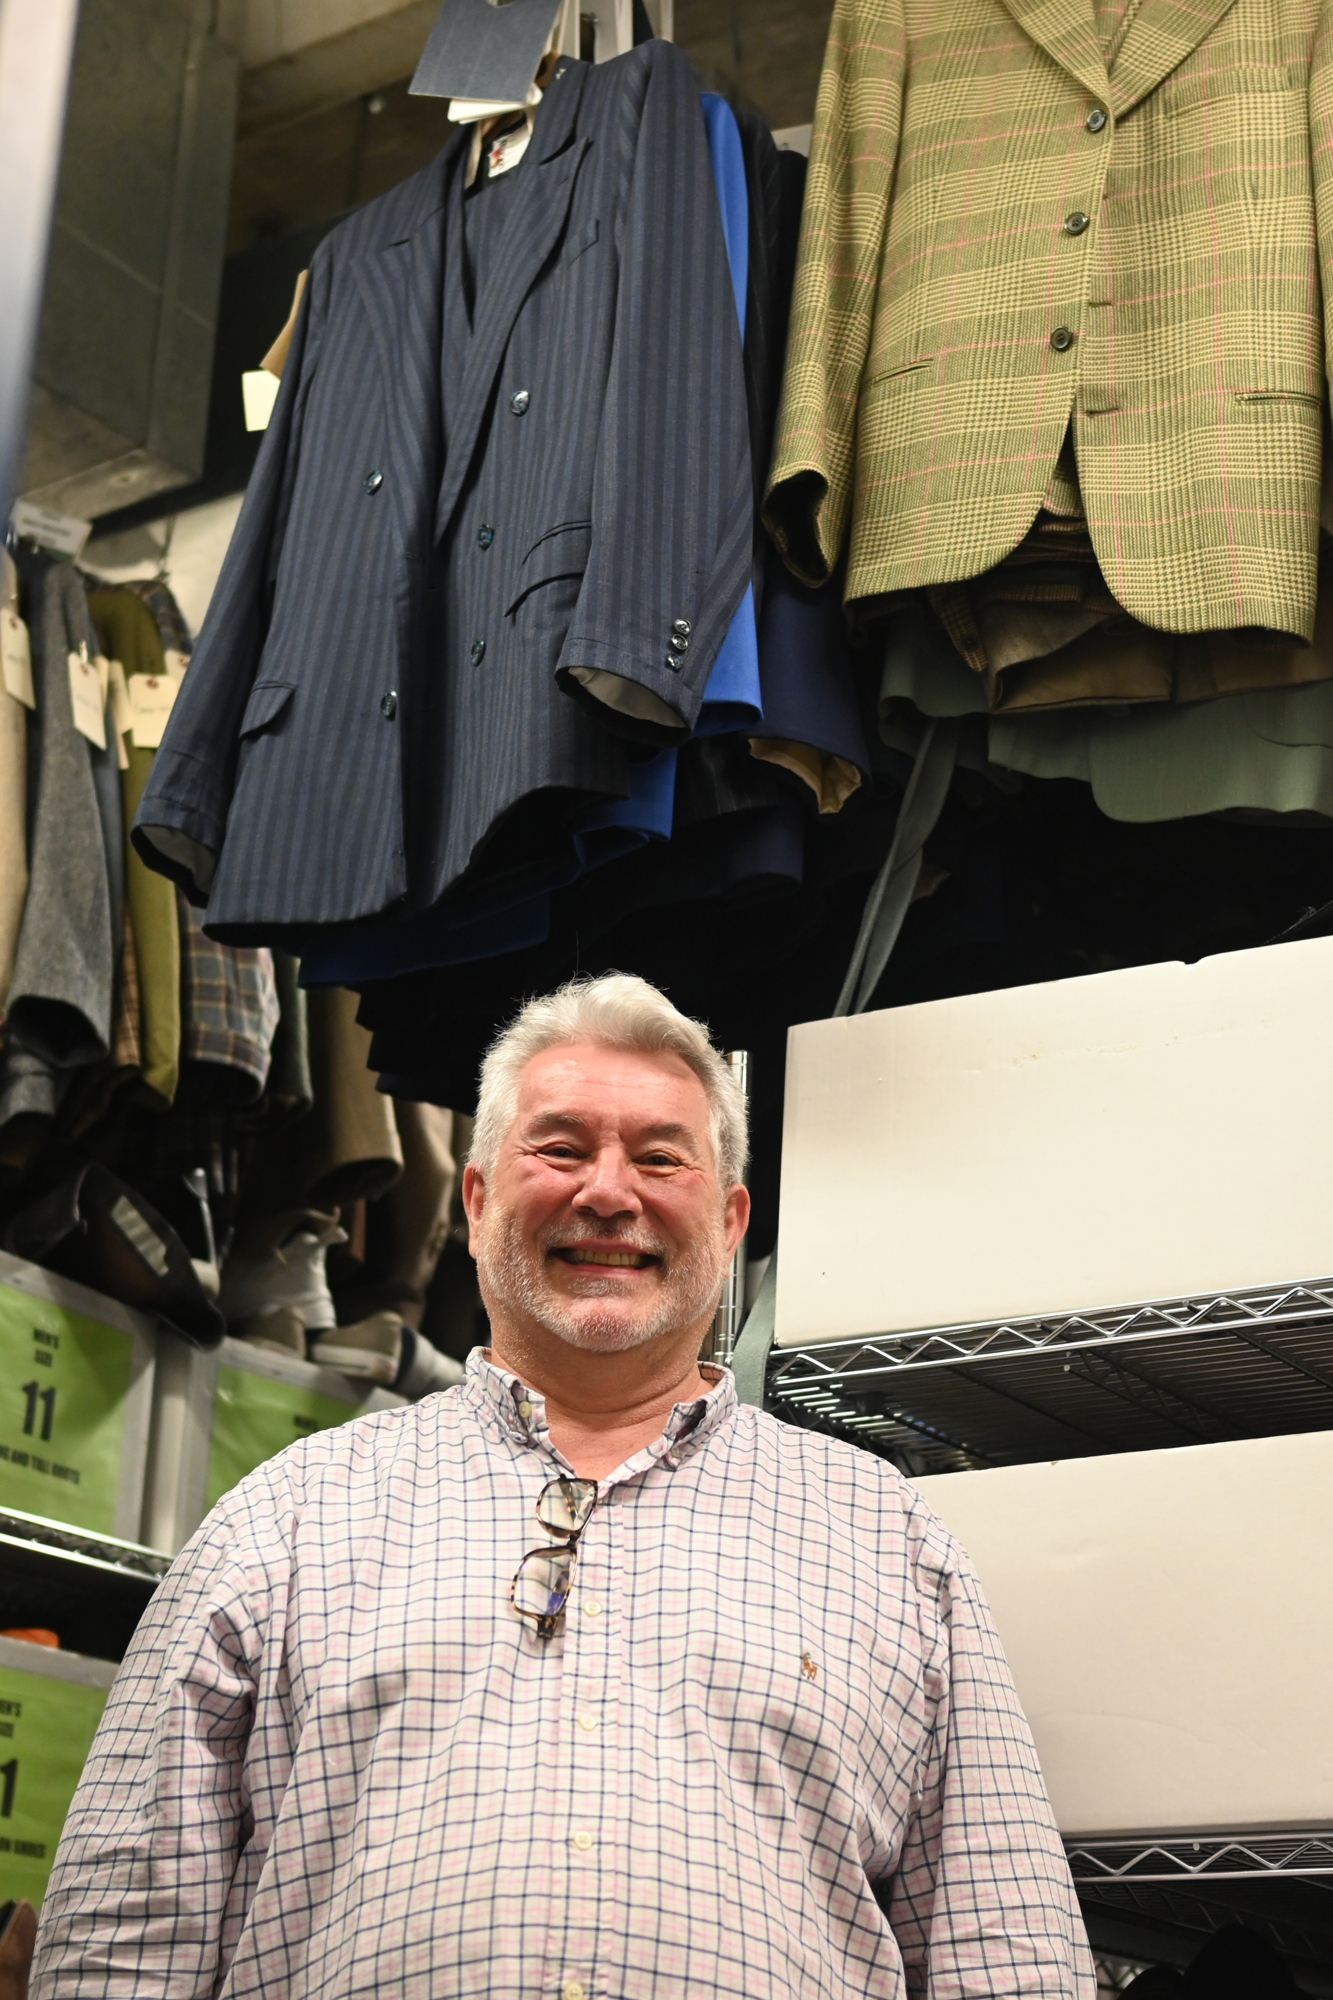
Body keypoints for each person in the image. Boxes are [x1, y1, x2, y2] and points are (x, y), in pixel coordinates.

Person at [31, 973, 1094, 1998]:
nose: (607, 1191)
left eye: (660, 1158)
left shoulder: (888, 1537)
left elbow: (1004, 1950)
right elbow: (123, 1929)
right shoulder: (285, 1517)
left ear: (728, 1222)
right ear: (480, 1195)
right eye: (562, 1146)